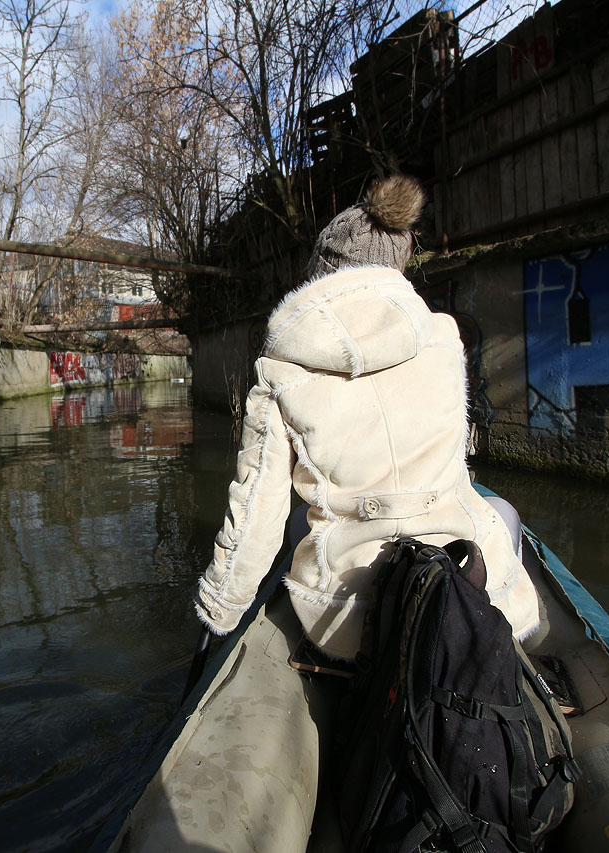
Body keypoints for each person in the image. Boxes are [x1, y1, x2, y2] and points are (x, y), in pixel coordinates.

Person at [193, 173, 540, 660]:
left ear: (320, 272)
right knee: (501, 512)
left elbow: (255, 515)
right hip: (466, 586)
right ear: (396, 268)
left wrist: (218, 614)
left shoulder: (281, 369)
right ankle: (525, 650)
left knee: (297, 526)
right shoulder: (443, 340)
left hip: (349, 621)